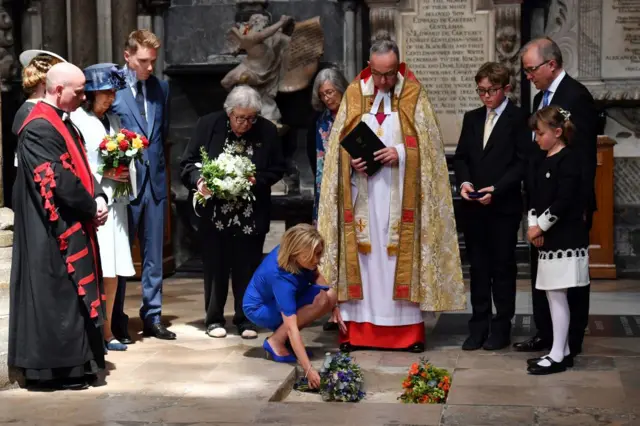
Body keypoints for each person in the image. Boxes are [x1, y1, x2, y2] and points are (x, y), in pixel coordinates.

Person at [317, 31, 466, 352]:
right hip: (363, 199)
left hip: (401, 200)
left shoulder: (414, 94)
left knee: (396, 259)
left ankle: (406, 334)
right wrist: (350, 161)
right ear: (369, 65)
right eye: (379, 73)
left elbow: (430, 150)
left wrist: (399, 152)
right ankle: (357, 332)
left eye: (390, 73)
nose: (384, 81)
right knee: (367, 264)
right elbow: (335, 152)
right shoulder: (354, 95)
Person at [8, 62, 109, 389]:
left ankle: (81, 364)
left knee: (70, 297)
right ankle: (55, 371)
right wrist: (89, 206)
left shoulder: (65, 123)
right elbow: (56, 179)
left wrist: (100, 196)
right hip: (50, 228)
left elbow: (81, 165)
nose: (84, 97)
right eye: (79, 92)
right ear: (57, 89)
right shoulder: (38, 125)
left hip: (72, 216)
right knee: (56, 296)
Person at [514, 37, 598, 360]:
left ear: (552, 64)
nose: (528, 76)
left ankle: (569, 342)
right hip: (542, 201)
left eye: (531, 69)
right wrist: (534, 211)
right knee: (544, 273)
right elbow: (537, 155)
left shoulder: (577, 97)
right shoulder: (541, 99)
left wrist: (577, 207)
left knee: (568, 278)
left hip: (567, 207)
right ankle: (547, 335)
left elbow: (585, 158)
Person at [180, 85, 285, 339]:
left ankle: (245, 319)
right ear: (229, 113)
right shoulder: (208, 125)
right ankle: (214, 319)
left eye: (251, 118)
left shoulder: (267, 131)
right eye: (241, 118)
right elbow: (186, 163)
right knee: (215, 268)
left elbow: (277, 169)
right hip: (215, 214)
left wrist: (254, 180)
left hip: (250, 214)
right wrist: (200, 182)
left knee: (246, 267)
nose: (246, 124)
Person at [453, 62, 530, 351]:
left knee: (503, 267)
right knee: (479, 268)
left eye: (491, 91)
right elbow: (461, 157)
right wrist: (464, 184)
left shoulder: (519, 118)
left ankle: (501, 327)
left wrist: (496, 190)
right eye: (481, 91)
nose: (485, 97)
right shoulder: (472, 118)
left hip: (502, 206)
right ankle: (479, 326)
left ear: (506, 88)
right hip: (474, 207)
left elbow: (522, 162)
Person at [110, 29, 174, 341]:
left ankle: (153, 316)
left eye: (153, 61)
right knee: (122, 253)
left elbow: (162, 136)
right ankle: (117, 318)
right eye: (144, 60)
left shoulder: (161, 89)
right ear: (128, 56)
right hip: (125, 183)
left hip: (155, 184)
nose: (150, 67)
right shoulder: (113, 88)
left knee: (153, 255)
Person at [71, 63, 134, 352]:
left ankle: (108, 331)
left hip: (116, 202)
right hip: (95, 203)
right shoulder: (78, 121)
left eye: (112, 92)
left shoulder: (115, 121)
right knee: (99, 266)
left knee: (114, 270)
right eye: (105, 92)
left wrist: (124, 167)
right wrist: (104, 173)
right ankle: (95, 331)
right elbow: (78, 163)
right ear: (91, 93)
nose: (110, 98)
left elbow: (121, 154)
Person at [243, 224, 345, 389]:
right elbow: (292, 328)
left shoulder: (297, 256)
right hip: (260, 308)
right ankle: (276, 341)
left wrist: (335, 306)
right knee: (319, 301)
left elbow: (317, 275)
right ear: (299, 252)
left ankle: (284, 341)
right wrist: (308, 369)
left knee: (330, 295)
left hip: (285, 294)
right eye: (315, 254)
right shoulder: (281, 278)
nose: (319, 259)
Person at [525, 106, 588, 375]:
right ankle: (558, 351)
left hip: (565, 237)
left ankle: (558, 354)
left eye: (540, 133)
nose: (536, 138)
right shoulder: (543, 159)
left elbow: (564, 201)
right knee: (552, 295)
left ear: (558, 132)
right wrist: (533, 225)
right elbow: (533, 196)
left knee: (559, 295)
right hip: (546, 236)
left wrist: (540, 227)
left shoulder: (568, 160)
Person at [307, 68, 349, 225]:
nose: (327, 98)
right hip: (325, 185)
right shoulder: (318, 120)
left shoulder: (356, 114)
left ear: (340, 88)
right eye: (322, 94)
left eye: (330, 92)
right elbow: (311, 154)